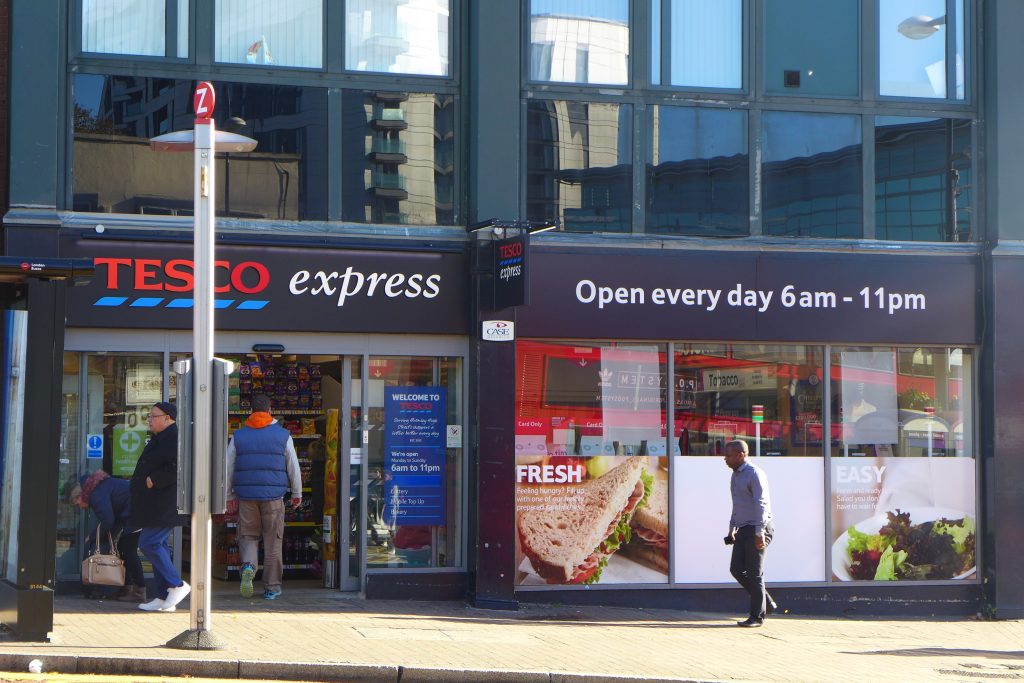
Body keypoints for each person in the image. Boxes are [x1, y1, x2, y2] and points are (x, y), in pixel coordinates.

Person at [225, 394, 302, 600]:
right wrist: (297, 492)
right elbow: (293, 466)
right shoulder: (283, 435)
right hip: (274, 497)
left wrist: (228, 495)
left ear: (251, 411)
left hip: (246, 497)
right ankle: (272, 587)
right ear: (270, 410)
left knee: (248, 536)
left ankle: (249, 566)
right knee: (273, 541)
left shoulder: (239, 436)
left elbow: (228, 467)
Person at [130, 401, 190, 612]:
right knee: (159, 545)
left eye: (153, 416)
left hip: (166, 503)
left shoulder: (173, 437)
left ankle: (177, 584)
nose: (149, 419)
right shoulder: (161, 437)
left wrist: (154, 479)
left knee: (150, 543)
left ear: (168, 418)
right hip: (156, 503)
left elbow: (178, 467)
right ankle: (163, 596)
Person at [69, 470, 146, 602]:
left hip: (136, 512)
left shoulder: (95, 494)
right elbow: (111, 518)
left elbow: (108, 520)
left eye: (78, 504)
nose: (81, 508)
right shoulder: (96, 488)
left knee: (128, 550)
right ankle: (127, 587)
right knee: (123, 548)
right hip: (134, 510)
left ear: (80, 496)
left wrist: (93, 536)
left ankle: (139, 590)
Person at [724, 439, 777, 627]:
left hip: (759, 528)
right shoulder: (735, 476)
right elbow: (737, 504)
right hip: (744, 528)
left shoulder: (754, 474)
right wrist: (732, 529)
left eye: (729, 455)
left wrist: (759, 532)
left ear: (741, 455)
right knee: (736, 569)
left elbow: (761, 504)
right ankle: (765, 601)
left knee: (755, 573)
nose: (725, 459)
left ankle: (757, 616)